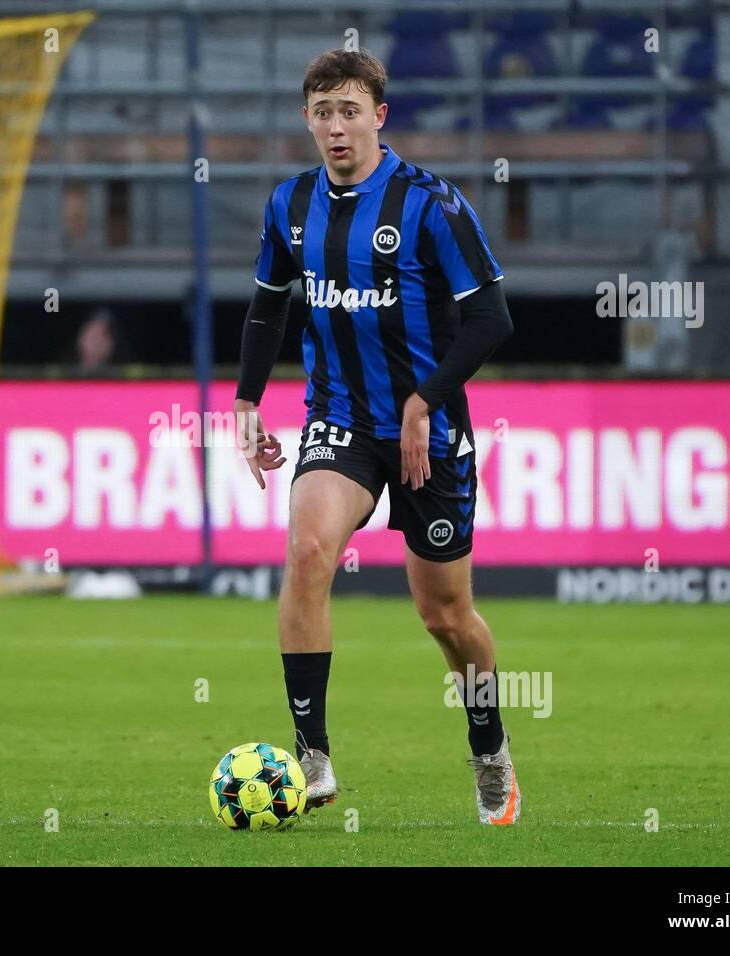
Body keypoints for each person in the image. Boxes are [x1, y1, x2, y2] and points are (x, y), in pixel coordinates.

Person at [234, 49, 519, 825]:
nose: (335, 127)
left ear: (379, 116)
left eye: (349, 111)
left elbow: (493, 318)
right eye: (322, 113)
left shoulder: (431, 205)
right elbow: (267, 306)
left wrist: (427, 400)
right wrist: (247, 399)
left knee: (446, 617)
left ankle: (489, 743)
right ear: (307, 120)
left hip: (432, 433)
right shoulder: (291, 205)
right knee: (307, 547)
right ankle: (313, 755)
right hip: (342, 420)